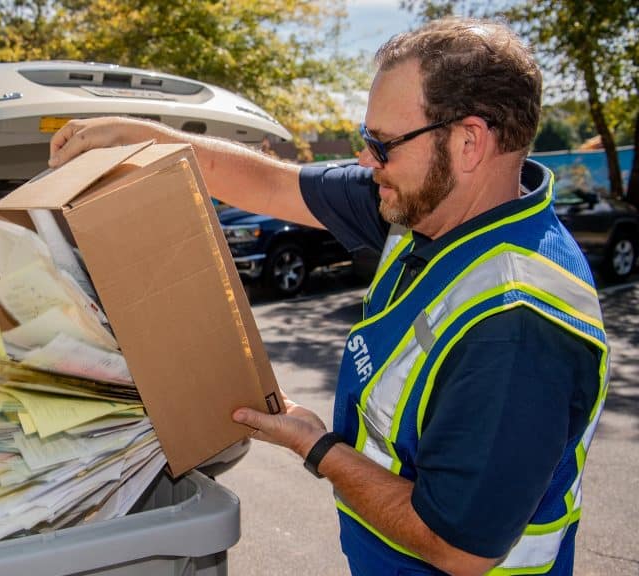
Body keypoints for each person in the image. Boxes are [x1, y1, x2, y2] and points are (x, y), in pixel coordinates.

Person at [48, 17, 606, 576]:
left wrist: (317, 447)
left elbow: (457, 548)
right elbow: (273, 183)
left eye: (382, 144)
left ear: (468, 142)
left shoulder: (519, 327)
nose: (367, 161)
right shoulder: (425, 206)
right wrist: (137, 136)